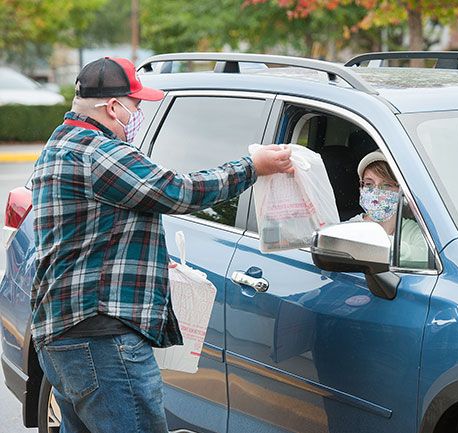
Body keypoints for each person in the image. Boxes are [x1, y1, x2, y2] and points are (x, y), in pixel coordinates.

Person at [30, 57, 293, 433]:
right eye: (136, 105)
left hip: (61, 336)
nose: (139, 113)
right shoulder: (100, 153)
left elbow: (91, 230)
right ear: (113, 107)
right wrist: (251, 166)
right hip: (100, 341)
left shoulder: (58, 145)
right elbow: (178, 190)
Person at [350, 151, 428, 266]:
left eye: (386, 185)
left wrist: (375, 241)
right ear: (361, 188)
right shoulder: (349, 228)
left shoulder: (415, 232)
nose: (376, 191)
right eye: (369, 184)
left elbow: (425, 257)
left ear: (401, 191)